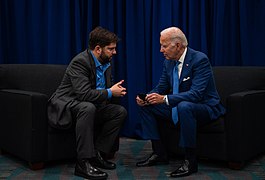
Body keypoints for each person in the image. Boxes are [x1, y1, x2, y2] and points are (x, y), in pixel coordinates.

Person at [135, 27, 225, 177]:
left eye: (164, 46)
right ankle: (159, 153)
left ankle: (190, 161)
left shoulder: (199, 59)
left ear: (177, 45)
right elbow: (161, 87)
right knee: (147, 107)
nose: (160, 50)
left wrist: (164, 99)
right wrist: (147, 97)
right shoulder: (168, 63)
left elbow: (196, 94)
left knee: (184, 107)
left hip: (205, 107)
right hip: (181, 105)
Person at [47, 26, 127, 180]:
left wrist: (114, 91)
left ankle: (96, 153)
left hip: (88, 107)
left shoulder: (106, 63)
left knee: (119, 111)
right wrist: (111, 92)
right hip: (66, 106)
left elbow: (101, 91)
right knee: (87, 107)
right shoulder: (80, 62)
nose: (115, 52)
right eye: (111, 49)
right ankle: (82, 163)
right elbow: (84, 94)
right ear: (98, 49)